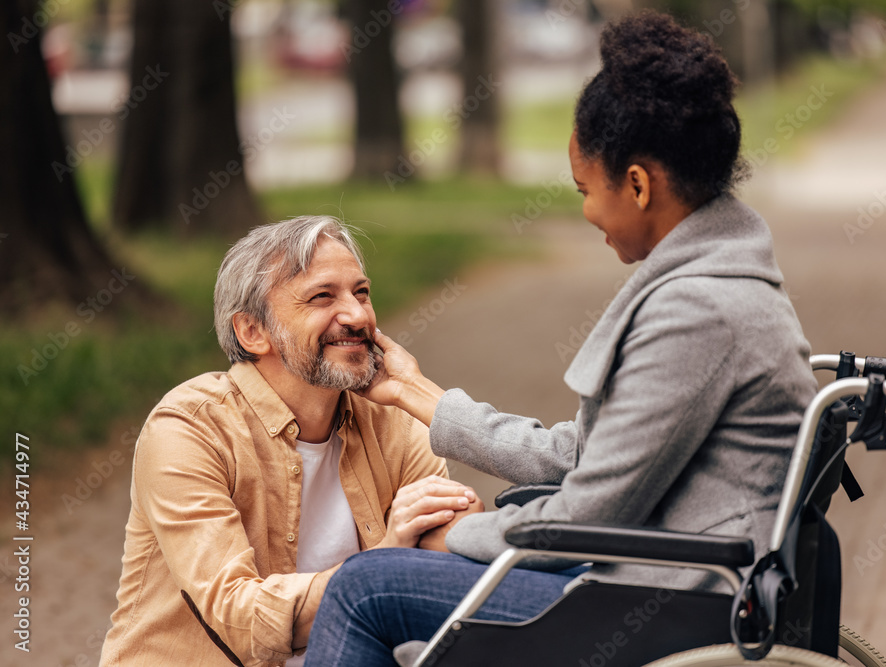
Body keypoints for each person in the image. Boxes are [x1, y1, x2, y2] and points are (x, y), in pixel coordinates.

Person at [302, 10, 818, 667]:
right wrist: (411, 390)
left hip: (660, 602)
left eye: (585, 190)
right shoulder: (724, 278)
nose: (585, 213)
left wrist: (460, 534)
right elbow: (585, 455)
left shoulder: (699, 311)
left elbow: (585, 515)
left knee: (363, 586)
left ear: (636, 184)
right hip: (672, 579)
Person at [100, 217, 481, 667]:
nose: (358, 315)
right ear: (252, 332)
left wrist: (464, 532)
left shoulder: (391, 420)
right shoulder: (190, 428)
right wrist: (383, 565)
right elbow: (239, 617)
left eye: (361, 292)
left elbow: (453, 564)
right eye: (323, 296)